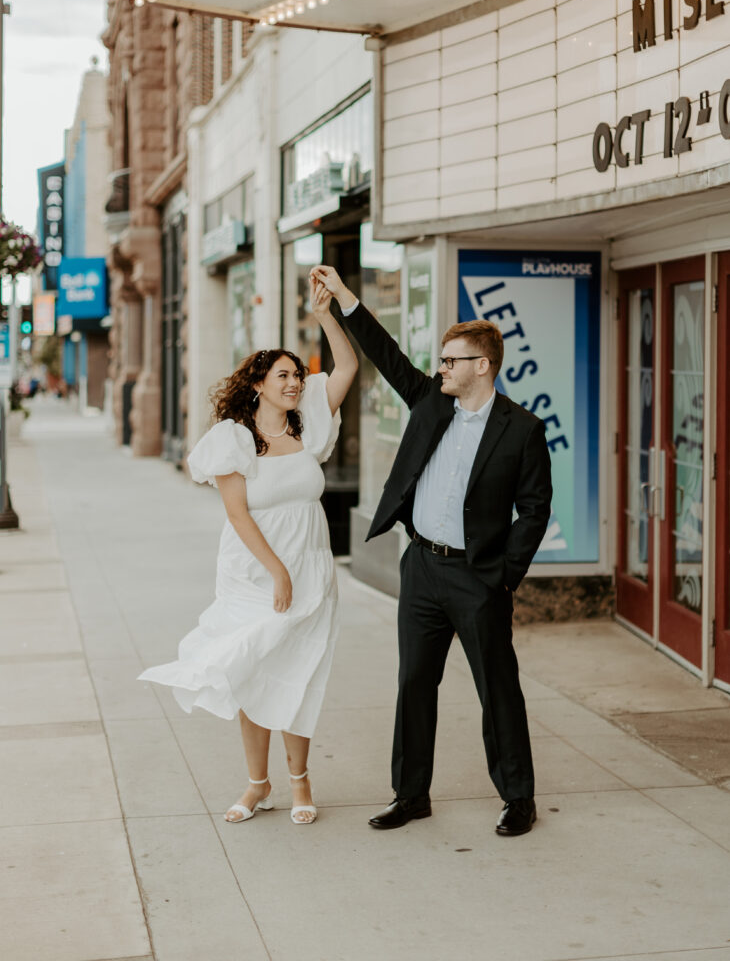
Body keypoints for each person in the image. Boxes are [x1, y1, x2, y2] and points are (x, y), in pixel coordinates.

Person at [309, 265, 552, 837]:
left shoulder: (523, 430)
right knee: (415, 683)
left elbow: (535, 511)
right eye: (441, 360)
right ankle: (411, 794)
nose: (440, 368)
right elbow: (384, 352)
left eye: (451, 360)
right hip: (420, 567)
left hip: (478, 577)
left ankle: (518, 797)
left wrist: (503, 575)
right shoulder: (428, 401)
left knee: (498, 688)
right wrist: (344, 298)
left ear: (482, 366)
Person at [138, 277, 357, 826]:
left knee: (300, 674)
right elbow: (237, 515)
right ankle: (258, 784)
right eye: (282, 374)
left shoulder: (308, 431)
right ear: (258, 382)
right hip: (256, 571)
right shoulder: (234, 439)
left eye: (297, 374)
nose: (293, 382)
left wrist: (325, 314)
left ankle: (301, 782)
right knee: (253, 673)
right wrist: (277, 573)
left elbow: (349, 367)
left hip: (310, 567)